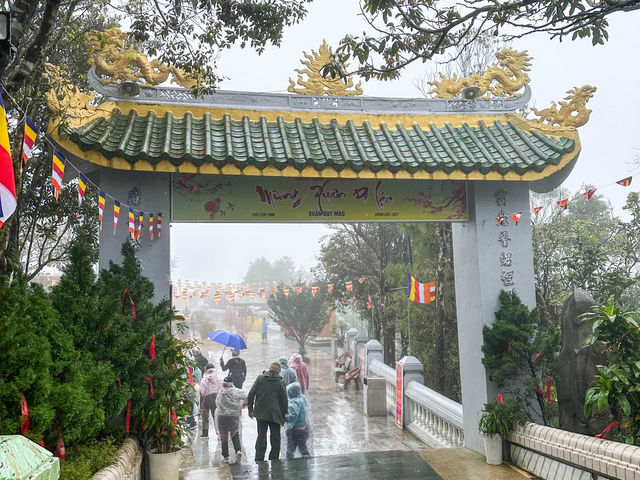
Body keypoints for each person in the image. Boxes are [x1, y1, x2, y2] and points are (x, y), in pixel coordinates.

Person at [247, 361, 288, 462]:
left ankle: (259, 458)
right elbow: (284, 401)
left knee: (261, 435)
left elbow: (251, 394)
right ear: (279, 371)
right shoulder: (281, 382)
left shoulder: (260, 378)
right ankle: (274, 460)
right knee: (275, 438)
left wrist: (250, 409)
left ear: (270, 369)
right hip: (275, 415)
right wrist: (284, 414)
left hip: (261, 413)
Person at [216, 376, 248, 464]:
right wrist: (244, 404)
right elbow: (247, 396)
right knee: (235, 434)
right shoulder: (236, 392)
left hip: (221, 416)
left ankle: (226, 456)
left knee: (223, 436)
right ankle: (238, 450)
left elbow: (217, 402)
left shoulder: (220, 392)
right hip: (233, 417)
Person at [284, 382, 312, 459]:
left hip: (295, 431)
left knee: (290, 450)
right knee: (303, 448)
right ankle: (307, 463)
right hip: (304, 429)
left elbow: (292, 417)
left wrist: (283, 416)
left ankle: (290, 466)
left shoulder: (294, 403)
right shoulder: (303, 399)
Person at [199, 363, 221, 438]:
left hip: (206, 399)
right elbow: (221, 389)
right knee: (216, 416)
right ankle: (219, 433)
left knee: (205, 416)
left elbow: (202, 391)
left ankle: (205, 433)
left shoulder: (204, 379)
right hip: (216, 398)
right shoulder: (218, 378)